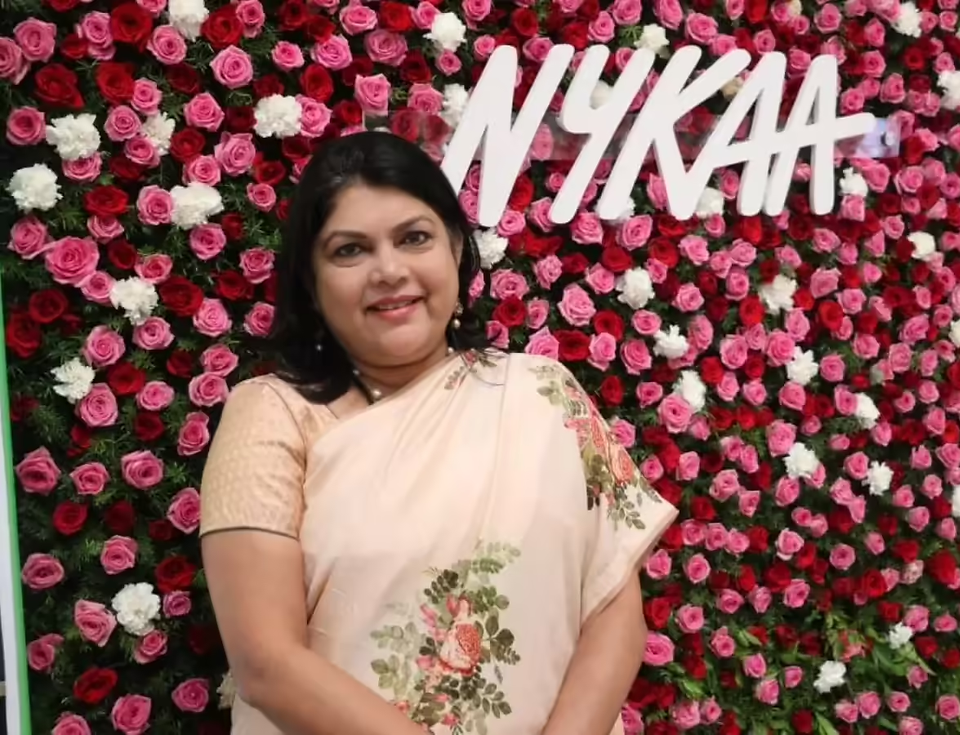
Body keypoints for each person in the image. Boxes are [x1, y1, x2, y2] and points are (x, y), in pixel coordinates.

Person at [200, 131, 678, 735]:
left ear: (455, 248)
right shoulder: (270, 415)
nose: (389, 270)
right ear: (313, 286)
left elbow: (612, 602)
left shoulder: (542, 392)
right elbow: (267, 663)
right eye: (350, 251)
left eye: (414, 238)